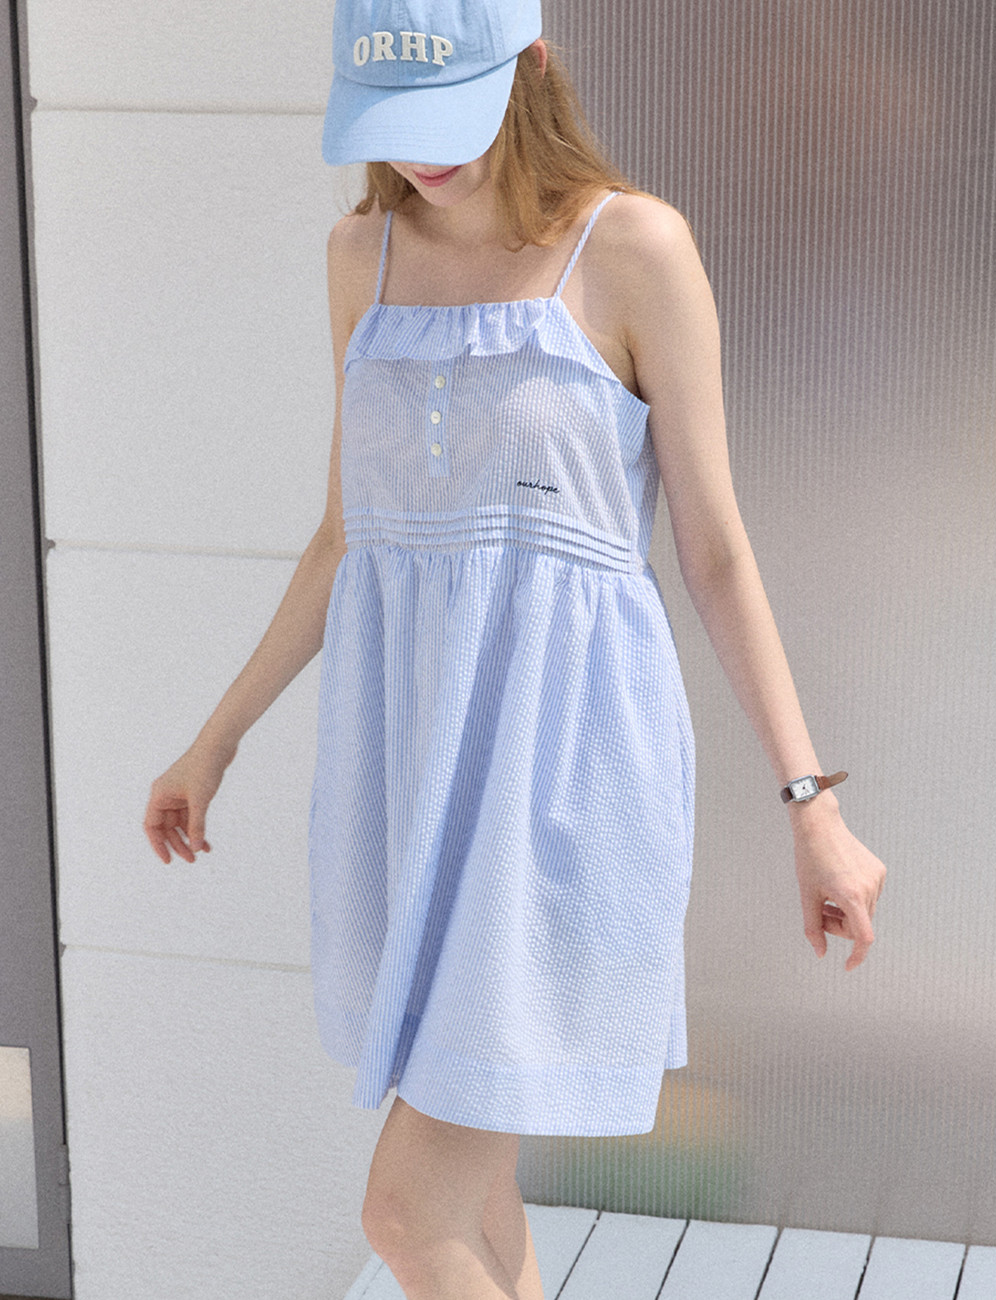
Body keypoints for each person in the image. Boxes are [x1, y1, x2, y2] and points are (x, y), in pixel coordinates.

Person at [144, 0, 887, 1295]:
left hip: (561, 792)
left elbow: (715, 551)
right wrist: (215, 741)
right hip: (410, 779)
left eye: (452, 114)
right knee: (476, 1196)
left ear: (530, 65)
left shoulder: (633, 248)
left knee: (404, 1214)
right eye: (396, 121)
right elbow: (346, 535)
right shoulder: (360, 256)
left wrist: (811, 805)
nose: (423, 154)